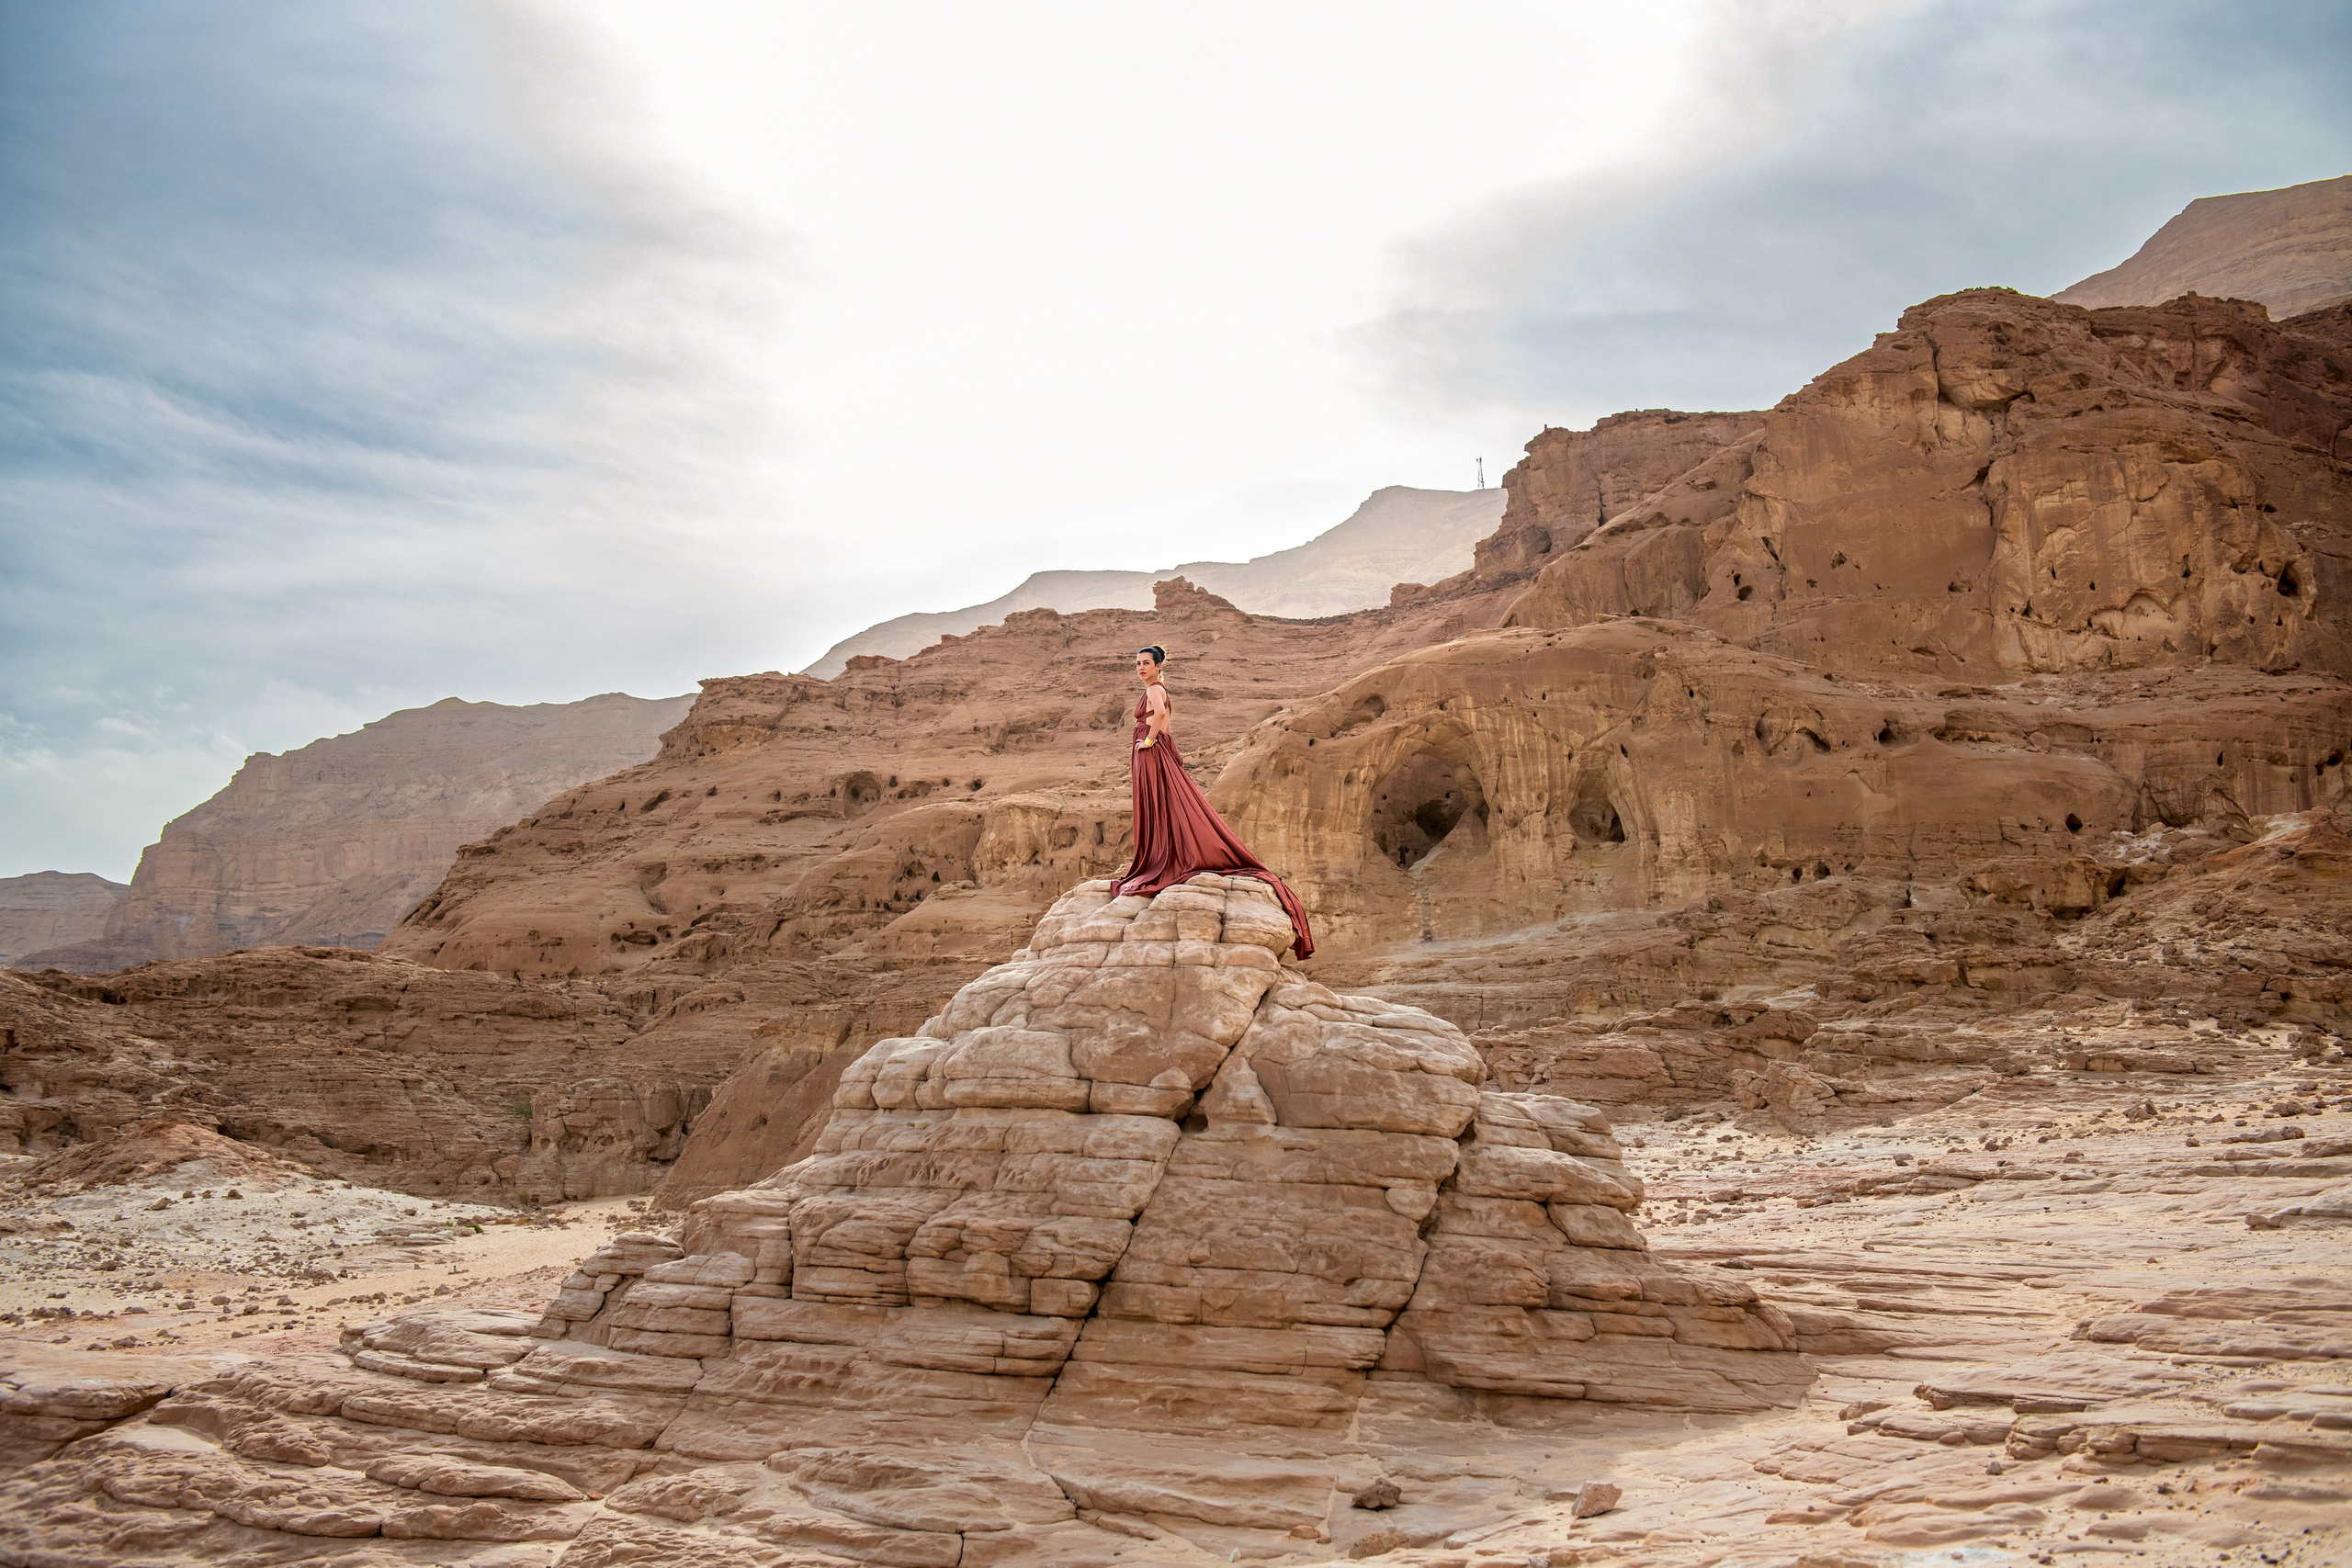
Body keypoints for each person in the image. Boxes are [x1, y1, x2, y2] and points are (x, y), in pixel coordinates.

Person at [1114, 644, 1315, 959]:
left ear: (1158, 665)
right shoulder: (1158, 687)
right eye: (1137, 663)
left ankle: (1166, 855)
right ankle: (1166, 850)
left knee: (1163, 802)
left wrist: (1148, 741)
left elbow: (1161, 715)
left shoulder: (1154, 689)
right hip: (1156, 750)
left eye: (1145, 663)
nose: (1140, 668)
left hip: (1150, 750)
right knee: (1168, 802)